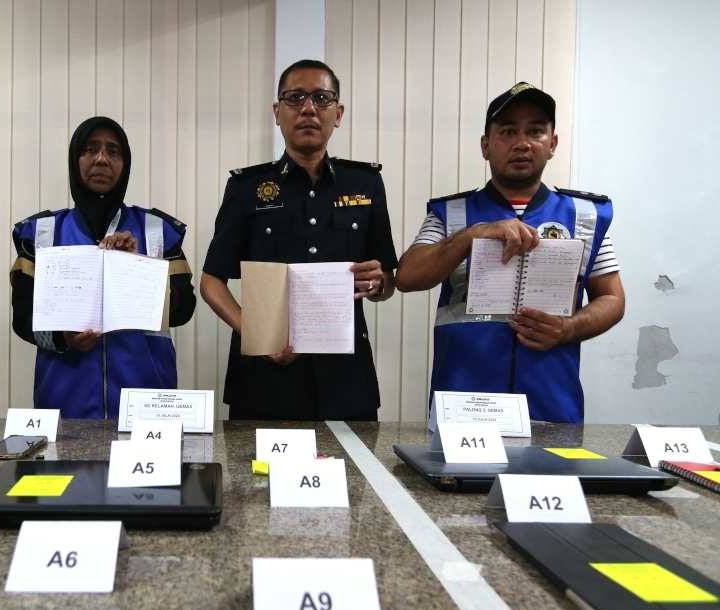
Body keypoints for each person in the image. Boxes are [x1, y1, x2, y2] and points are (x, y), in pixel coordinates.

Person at [394, 82, 625, 423]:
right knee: (458, 479)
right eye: (507, 131)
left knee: (552, 478)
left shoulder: (585, 216)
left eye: (535, 131)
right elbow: (407, 277)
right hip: (464, 405)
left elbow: (613, 300)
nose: (522, 143)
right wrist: (471, 236)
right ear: (486, 146)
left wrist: (568, 329)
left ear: (553, 144)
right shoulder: (451, 214)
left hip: (551, 404)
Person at [200, 59, 398, 421]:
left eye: (322, 98)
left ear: (338, 113)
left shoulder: (365, 185)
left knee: (352, 477)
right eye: (295, 98)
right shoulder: (247, 189)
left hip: (346, 378)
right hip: (264, 378)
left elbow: (387, 281)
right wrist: (255, 332)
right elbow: (211, 282)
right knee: (257, 478)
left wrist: (378, 282)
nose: (308, 108)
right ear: (277, 112)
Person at [10, 116, 195, 419]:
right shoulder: (41, 232)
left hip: (146, 405)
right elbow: (22, 318)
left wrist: (137, 268)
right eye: (90, 149)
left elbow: (183, 309)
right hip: (64, 403)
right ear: (75, 159)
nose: (101, 159)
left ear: (125, 164)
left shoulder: (156, 230)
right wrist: (63, 339)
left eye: (113, 151)